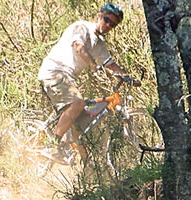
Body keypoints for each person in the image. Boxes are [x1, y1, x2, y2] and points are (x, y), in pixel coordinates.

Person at [37, 2, 139, 164]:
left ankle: (87, 171)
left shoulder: (100, 44)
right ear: (99, 16)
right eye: (106, 20)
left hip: (67, 76)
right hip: (55, 71)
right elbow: (78, 46)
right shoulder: (81, 27)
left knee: (79, 126)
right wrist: (93, 65)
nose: (108, 25)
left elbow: (110, 65)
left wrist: (128, 78)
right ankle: (52, 145)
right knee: (78, 104)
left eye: (112, 24)